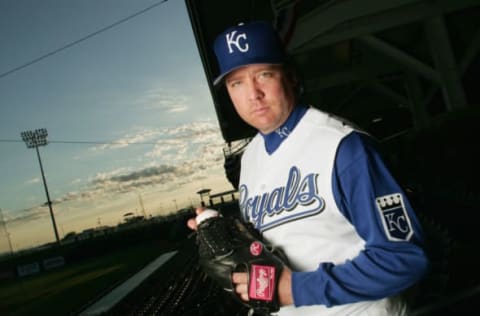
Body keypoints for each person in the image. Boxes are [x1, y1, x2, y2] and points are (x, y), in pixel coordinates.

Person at [188, 20, 429, 315]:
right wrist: (231, 235)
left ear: (290, 77)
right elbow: (286, 242)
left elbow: (404, 258)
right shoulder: (249, 159)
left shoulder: (343, 147)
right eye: (236, 82)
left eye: (264, 74)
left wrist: (297, 289)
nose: (253, 93)